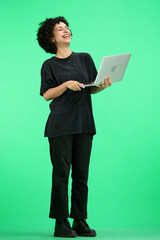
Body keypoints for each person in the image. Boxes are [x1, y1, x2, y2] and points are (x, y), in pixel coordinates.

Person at [36, 16, 112, 238]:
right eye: (60, 29)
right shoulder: (49, 65)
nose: (66, 31)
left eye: (67, 28)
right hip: (60, 126)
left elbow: (91, 89)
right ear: (51, 38)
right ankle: (61, 223)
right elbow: (47, 95)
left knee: (81, 175)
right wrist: (65, 85)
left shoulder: (85, 59)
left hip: (84, 124)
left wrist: (103, 86)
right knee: (61, 174)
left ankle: (80, 220)